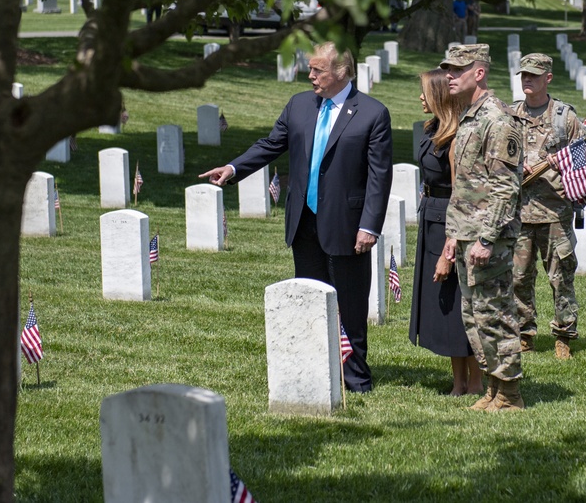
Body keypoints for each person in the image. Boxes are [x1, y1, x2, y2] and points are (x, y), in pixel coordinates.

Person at [200, 41, 393, 393]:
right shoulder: (300, 105)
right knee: (310, 297)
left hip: (347, 226)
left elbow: (380, 176)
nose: (310, 75)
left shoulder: (371, 113)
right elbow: (271, 144)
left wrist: (369, 226)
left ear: (341, 72)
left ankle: (355, 377)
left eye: (318, 70)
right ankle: (316, 367)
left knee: (349, 304)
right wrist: (232, 167)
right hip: (304, 221)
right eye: (311, 68)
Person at [440, 43, 526, 412]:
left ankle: (510, 392)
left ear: (479, 73)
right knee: (474, 315)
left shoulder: (497, 118)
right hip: (466, 234)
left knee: (495, 313)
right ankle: (493, 387)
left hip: (487, 238)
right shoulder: (470, 116)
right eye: (447, 69)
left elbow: (506, 187)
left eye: (457, 70)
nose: (448, 76)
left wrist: (487, 237)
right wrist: (454, 237)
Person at [408, 69, 480, 396]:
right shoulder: (433, 129)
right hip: (431, 220)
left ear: (439, 95)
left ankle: (477, 381)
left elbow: (460, 193)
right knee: (446, 305)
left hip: (453, 224)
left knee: (463, 302)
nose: (420, 98)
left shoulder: (456, 139)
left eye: (425, 92)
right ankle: (459, 381)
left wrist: (449, 250)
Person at [511, 53, 583, 360]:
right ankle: (524, 332)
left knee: (560, 276)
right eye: (524, 75)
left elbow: (583, 160)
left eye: (534, 75)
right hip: (519, 212)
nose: (527, 80)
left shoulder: (564, 117)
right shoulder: (510, 114)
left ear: (548, 78)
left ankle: (564, 335)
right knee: (517, 277)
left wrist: (550, 166)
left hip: (555, 213)